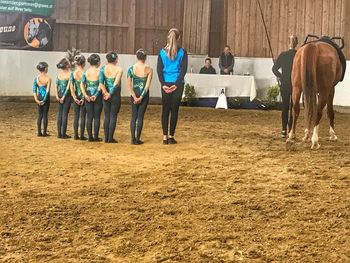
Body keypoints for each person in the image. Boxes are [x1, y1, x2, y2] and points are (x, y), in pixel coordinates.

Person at [157, 28, 188, 145]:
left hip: (165, 83)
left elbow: (159, 70)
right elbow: (183, 70)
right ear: (179, 38)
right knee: (174, 110)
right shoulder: (182, 52)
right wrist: (176, 84)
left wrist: (163, 84)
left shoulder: (161, 52)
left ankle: (164, 137)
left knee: (165, 110)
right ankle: (171, 136)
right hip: (177, 84)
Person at [272, 35, 298, 138]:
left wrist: (281, 77)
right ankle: (291, 129)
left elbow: (274, 69)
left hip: (285, 83)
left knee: (285, 107)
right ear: (296, 43)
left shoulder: (282, 55)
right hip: (295, 85)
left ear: (288, 43)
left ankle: (283, 130)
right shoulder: (298, 55)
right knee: (293, 107)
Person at [127, 49, 153, 145]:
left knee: (134, 116)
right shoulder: (149, 69)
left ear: (136, 57)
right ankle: (137, 138)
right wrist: (141, 97)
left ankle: (132, 138)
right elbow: (147, 85)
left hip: (134, 93)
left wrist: (134, 96)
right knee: (140, 116)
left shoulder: (131, 69)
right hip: (144, 95)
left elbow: (129, 84)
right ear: (145, 58)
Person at [99, 51, 123, 143]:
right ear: (116, 59)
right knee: (113, 116)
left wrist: (105, 93)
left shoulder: (102, 69)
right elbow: (116, 84)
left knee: (106, 116)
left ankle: (106, 138)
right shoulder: (119, 69)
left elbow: (101, 83)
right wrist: (110, 94)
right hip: (115, 95)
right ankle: (110, 138)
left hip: (105, 95)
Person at [81, 54, 102, 142]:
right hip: (97, 97)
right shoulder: (100, 72)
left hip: (88, 96)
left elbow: (82, 84)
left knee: (89, 117)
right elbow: (101, 84)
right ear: (98, 62)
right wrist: (96, 95)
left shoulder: (86, 72)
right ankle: (96, 137)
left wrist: (85, 95)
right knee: (97, 117)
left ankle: (90, 137)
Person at [70, 54, 87, 140]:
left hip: (76, 96)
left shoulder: (73, 73)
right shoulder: (84, 73)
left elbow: (71, 86)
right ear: (83, 63)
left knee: (76, 116)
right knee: (83, 116)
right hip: (83, 96)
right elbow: (85, 86)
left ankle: (75, 135)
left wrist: (74, 97)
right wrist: (84, 97)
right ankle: (81, 135)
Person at [55, 58, 72, 139]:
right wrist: (64, 97)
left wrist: (57, 96)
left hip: (59, 95)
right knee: (65, 114)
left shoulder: (59, 74)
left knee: (60, 114)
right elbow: (68, 88)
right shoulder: (70, 74)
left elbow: (56, 86)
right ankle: (63, 134)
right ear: (67, 65)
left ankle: (59, 133)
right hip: (67, 96)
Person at [33, 62, 51, 137]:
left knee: (39, 115)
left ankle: (39, 132)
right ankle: (44, 132)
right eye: (47, 67)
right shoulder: (48, 78)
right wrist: (44, 99)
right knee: (45, 115)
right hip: (45, 98)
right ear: (45, 68)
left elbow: (34, 90)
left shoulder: (36, 78)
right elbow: (47, 90)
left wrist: (36, 99)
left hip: (39, 96)